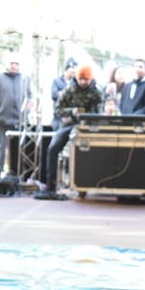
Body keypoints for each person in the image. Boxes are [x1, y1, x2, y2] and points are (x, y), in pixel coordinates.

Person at [35, 64, 102, 200]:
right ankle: (51, 185)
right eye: (80, 79)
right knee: (53, 148)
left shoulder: (96, 93)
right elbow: (58, 110)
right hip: (69, 124)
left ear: (91, 79)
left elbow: (99, 112)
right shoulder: (68, 90)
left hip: (87, 126)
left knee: (87, 152)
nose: (83, 82)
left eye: (86, 80)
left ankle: (85, 184)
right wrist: (71, 112)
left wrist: (85, 115)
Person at [0, 52, 33, 175]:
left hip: (21, 120)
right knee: (1, 147)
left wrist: (27, 109)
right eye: (12, 63)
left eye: (16, 63)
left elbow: (31, 96)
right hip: (3, 119)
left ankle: (18, 173)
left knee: (20, 148)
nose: (14, 66)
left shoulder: (25, 78)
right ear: (7, 64)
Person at [50, 58, 77, 130]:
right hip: (58, 117)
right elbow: (54, 95)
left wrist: (61, 93)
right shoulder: (57, 81)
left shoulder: (76, 83)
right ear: (66, 69)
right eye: (72, 68)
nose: (74, 70)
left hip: (72, 118)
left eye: (75, 68)